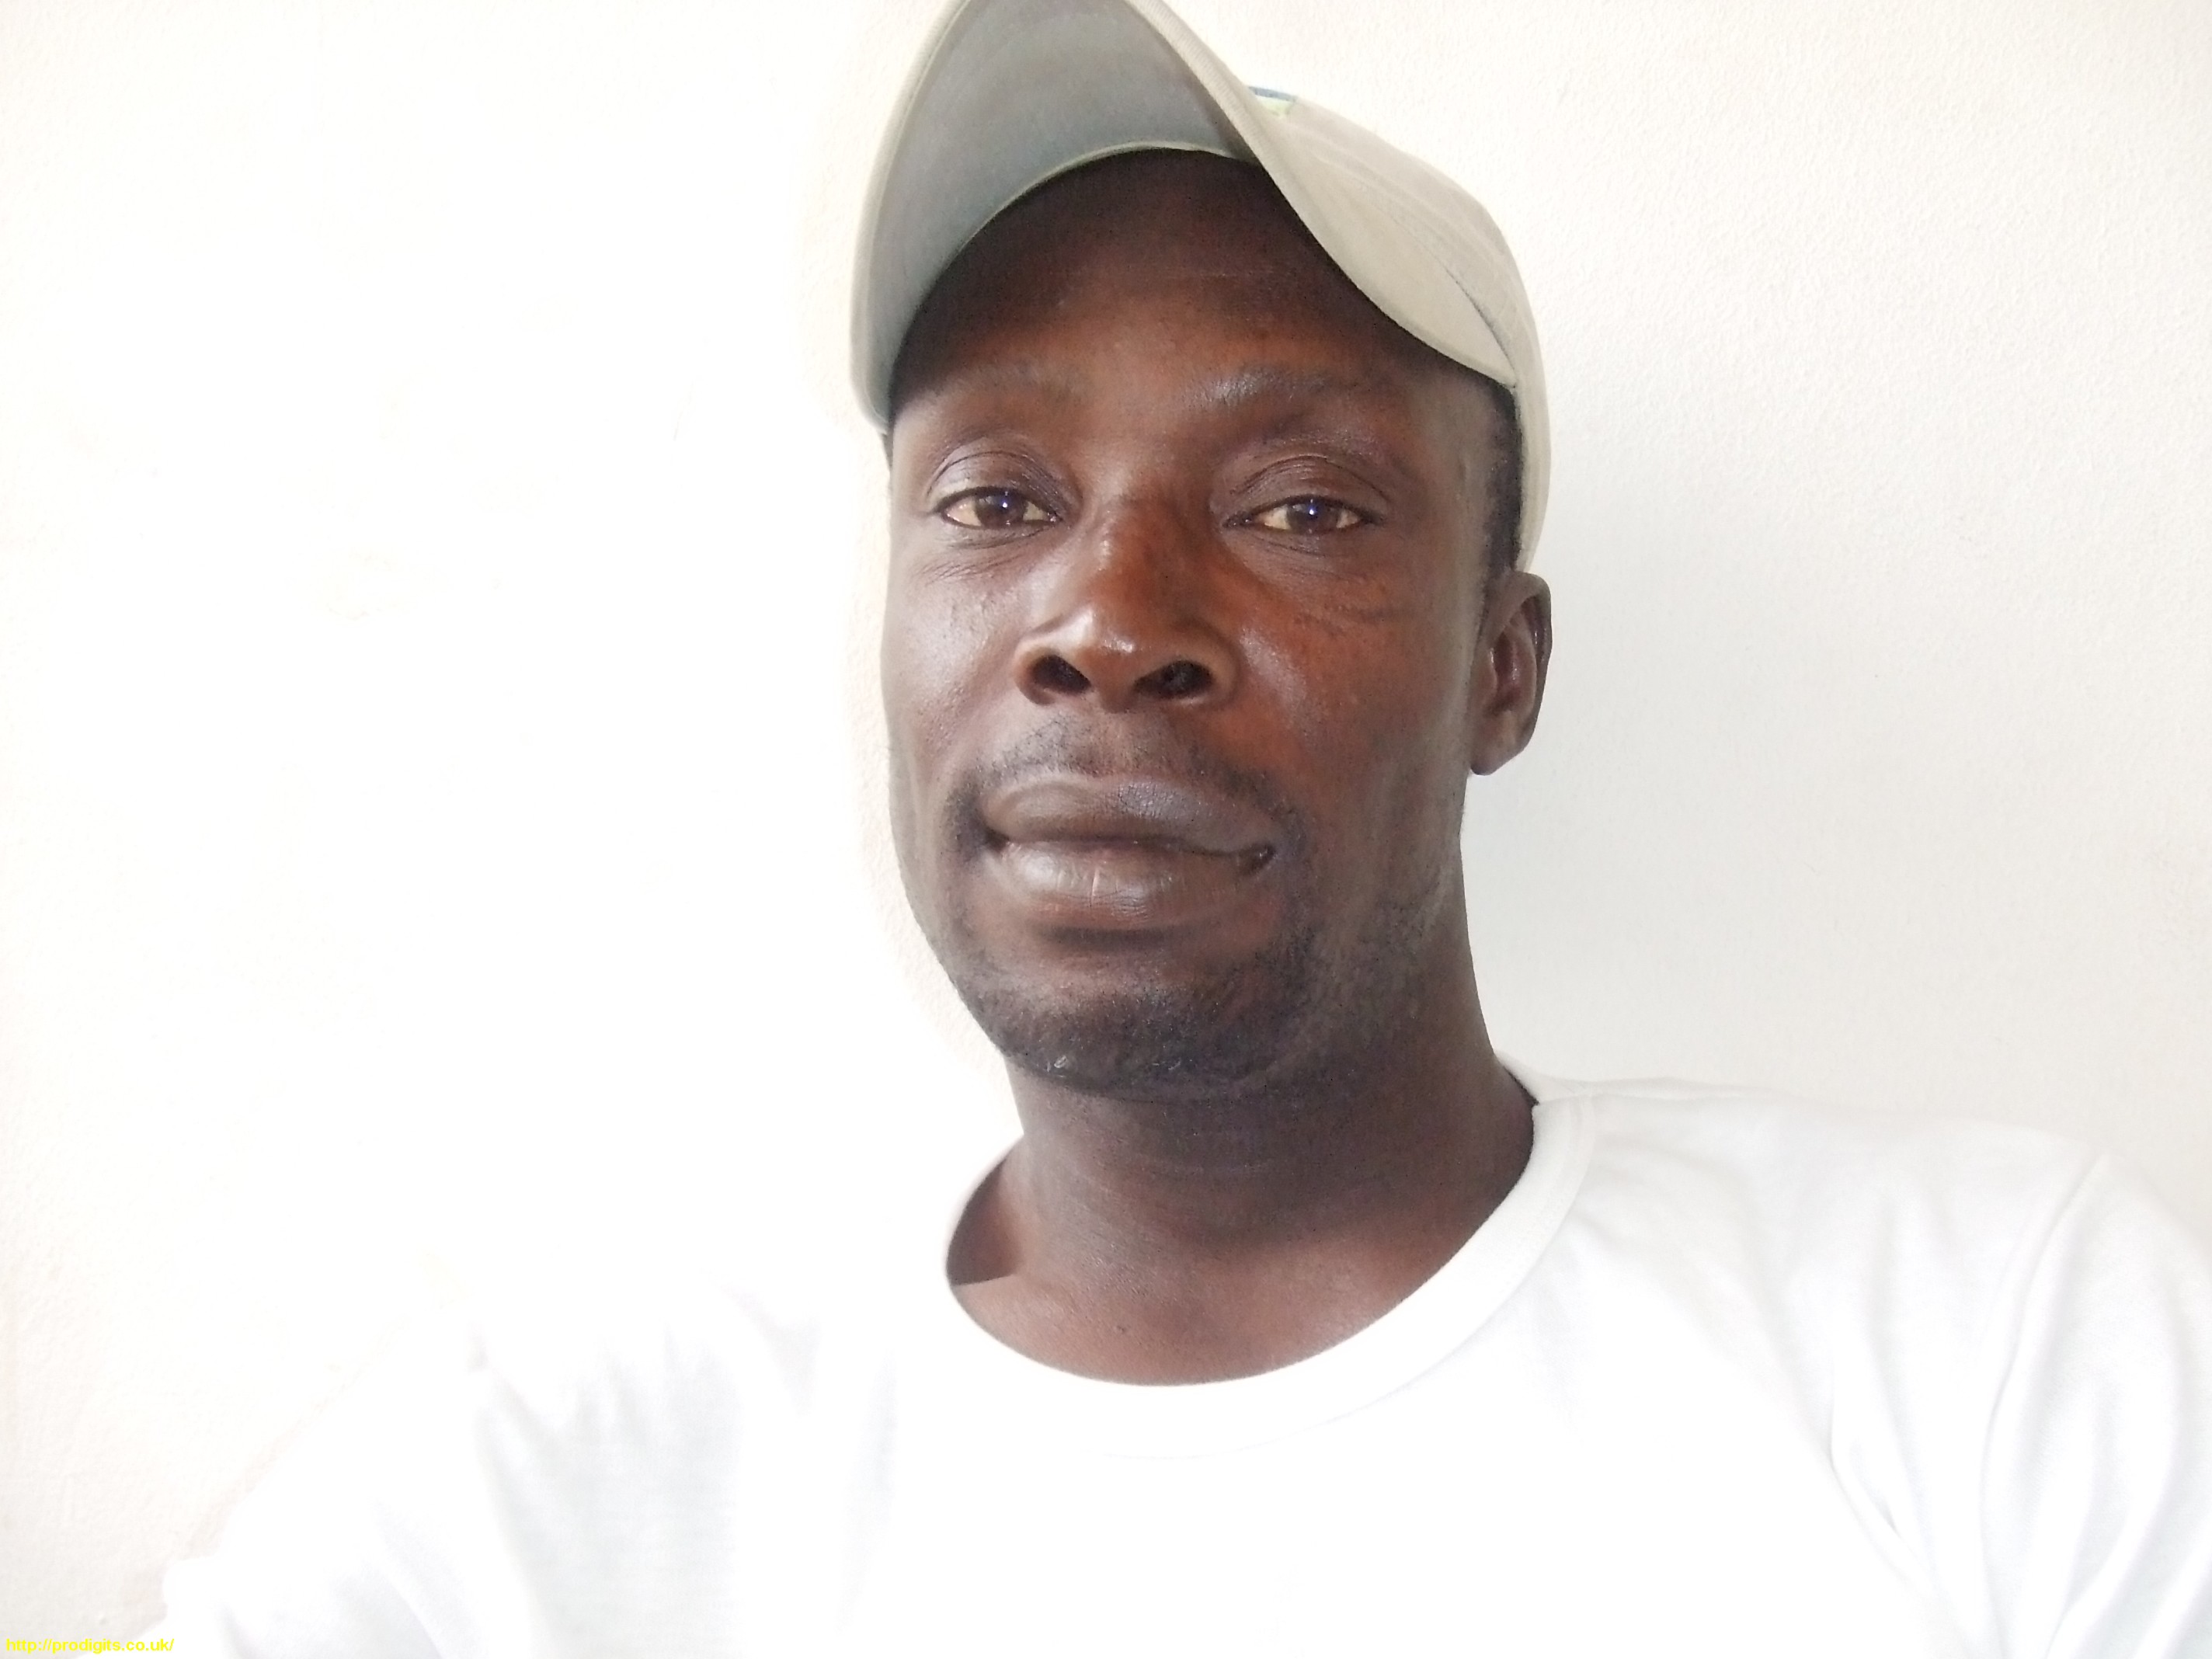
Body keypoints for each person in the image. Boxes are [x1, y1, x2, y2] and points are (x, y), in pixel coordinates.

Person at [158, 0, 2212, 1651]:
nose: (1107, 623)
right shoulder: (536, 1488)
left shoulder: (1999, 1347)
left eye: (1300, 507)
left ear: (1503, 671)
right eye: (999, 500)